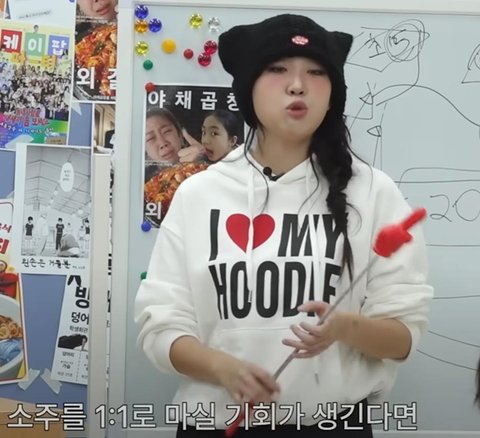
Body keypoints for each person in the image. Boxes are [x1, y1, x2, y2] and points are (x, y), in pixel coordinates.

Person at [134, 14, 433, 437]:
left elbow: (404, 336)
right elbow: (161, 326)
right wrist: (223, 368)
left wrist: (344, 327)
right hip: (219, 425)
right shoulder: (199, 194)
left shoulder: (373, 192)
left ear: (333, 93)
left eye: (316, 72)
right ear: (248, 88)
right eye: (277, 69)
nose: (297, 85)